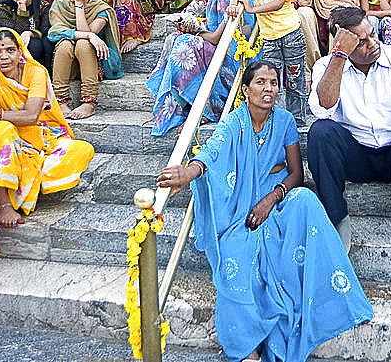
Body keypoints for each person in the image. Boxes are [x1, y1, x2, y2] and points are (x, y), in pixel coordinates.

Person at [156, 62, 373, 362]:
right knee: (234, 257)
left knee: (306, 202)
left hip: (277, 198)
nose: (268, 88)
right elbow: (212, 152)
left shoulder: (284, 121)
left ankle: (335, 303)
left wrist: (272, 197)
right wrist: (189, 173)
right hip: (239, 209)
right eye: (260, 82)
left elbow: (296, 173)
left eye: (273, 82)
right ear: (245, 90)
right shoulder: (234, 122)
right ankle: (249, 350)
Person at [307, 5, 391, 255]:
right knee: (320, 133)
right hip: (356, 157)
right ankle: (339, 218)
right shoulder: (325, 66)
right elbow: (323, 108)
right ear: (344, 46)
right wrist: (338, 56)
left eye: (373, 33)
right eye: (361, 41)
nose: (372, 43)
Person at [0, 29, 95, 228]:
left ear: (20, 52)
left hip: (42, 136)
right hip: (2, 143)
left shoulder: (36, 72)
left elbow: (31, 116)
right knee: (2, 128)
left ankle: (28, 181)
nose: (4, 57)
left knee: (82, 150)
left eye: (10, 50)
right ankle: (3, 201)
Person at [147, 0, 248, 137]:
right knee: (174, 38)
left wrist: (195, 31)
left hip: (230, 63)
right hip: (216, 53)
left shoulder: (234, 0)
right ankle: (179, 102)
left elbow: (217, 39)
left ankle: (201, 109)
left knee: (186, 43)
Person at [228, 0, 308, 125]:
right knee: (271, 78)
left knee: (294, 77)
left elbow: (279, 2)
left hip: (290, 33)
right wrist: (232, 3)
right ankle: (276, 116)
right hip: (269, 37)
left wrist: (252, 9)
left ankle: (297, 118)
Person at [49, 0, 124, 120]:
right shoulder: (59, 4)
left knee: (83, 44)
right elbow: (54, 32)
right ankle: (60, 101)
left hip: (95, 64)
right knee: (64, 43)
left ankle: (89, 102)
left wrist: (79, 5)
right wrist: (89, 36)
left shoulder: (101, 8)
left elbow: (88, 31)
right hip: (69, 64)